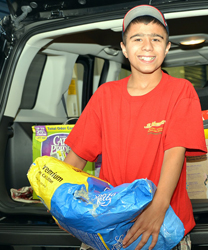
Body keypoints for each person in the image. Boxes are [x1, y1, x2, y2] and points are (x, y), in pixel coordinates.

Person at [63, 4, 207, 250]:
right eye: (137, 38)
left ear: (168, 47)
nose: (147, 46)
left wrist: (157, 208)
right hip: (110, 225)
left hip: (165, 224)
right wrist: (61, 203)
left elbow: (175, 153)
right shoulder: (105, 95)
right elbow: (74, 160)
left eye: (156, 38)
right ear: (124, 49)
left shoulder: (181, 90)